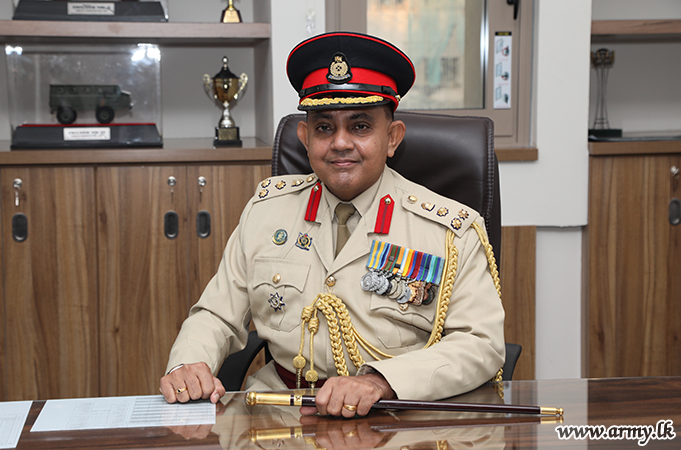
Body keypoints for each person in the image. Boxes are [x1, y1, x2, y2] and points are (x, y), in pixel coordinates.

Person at [160, 31, 505, 418]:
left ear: (392, 137)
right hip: (280, 413)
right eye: (324, 128)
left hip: (394, 416)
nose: (340, 143)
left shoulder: (450, 230)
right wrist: (188, 364)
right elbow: (216, 315)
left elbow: (482, 344)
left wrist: (381, 381)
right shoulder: (266, 212)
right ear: (305, 138)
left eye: (360, 127)